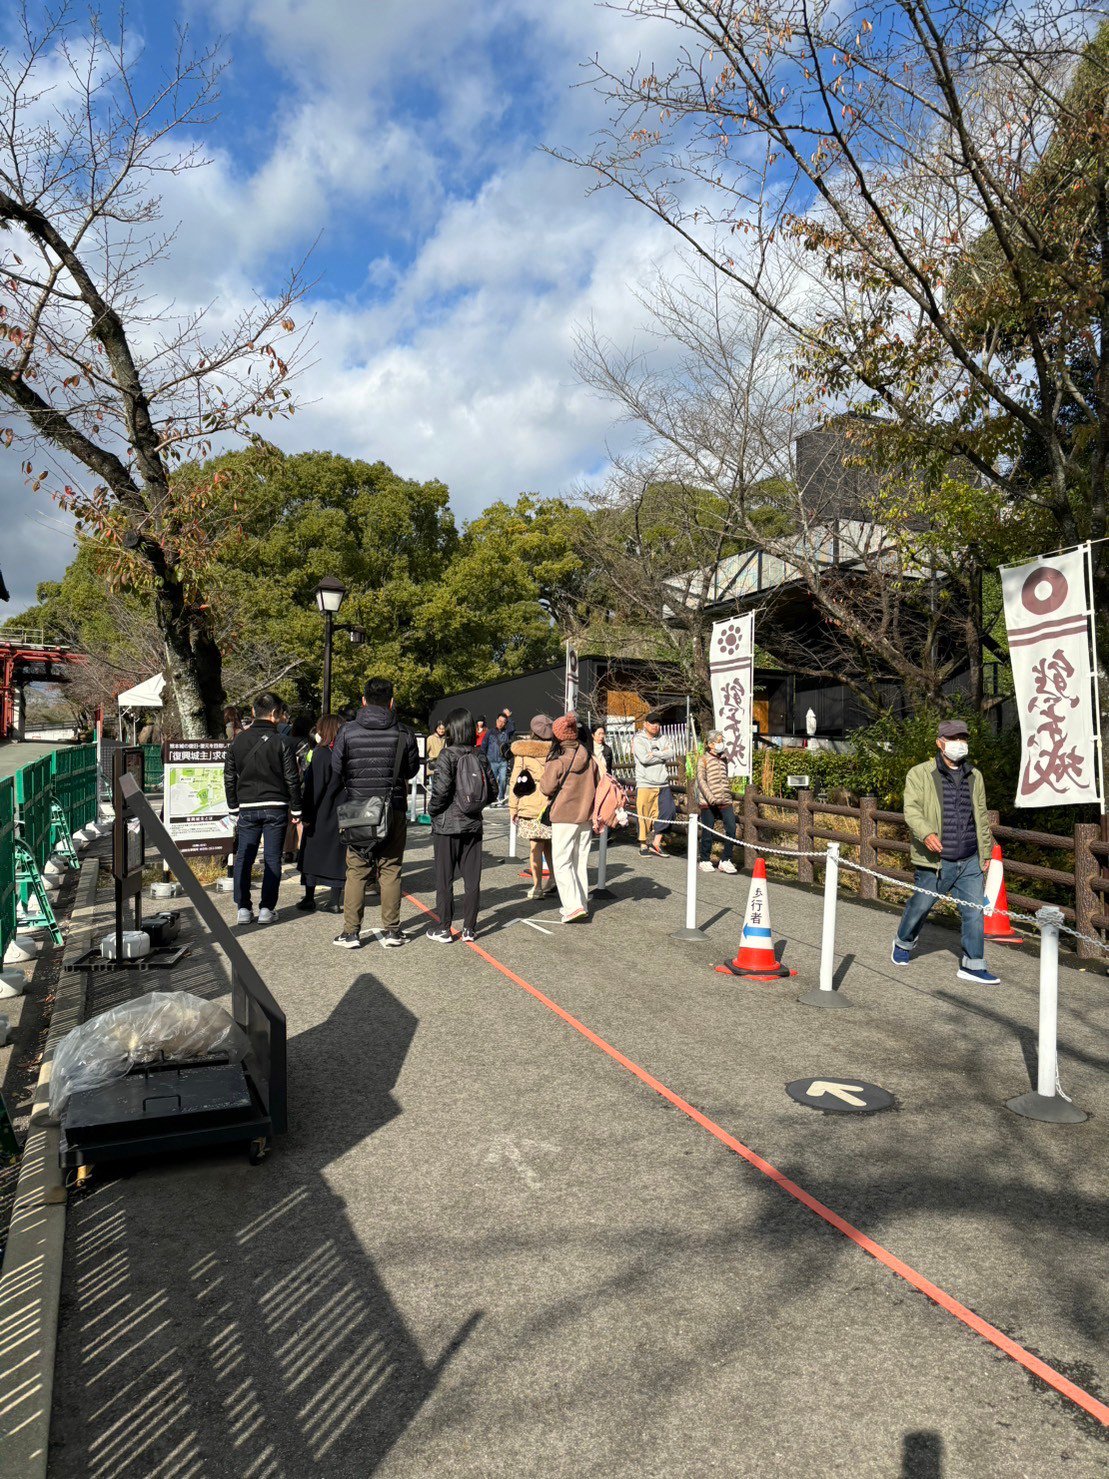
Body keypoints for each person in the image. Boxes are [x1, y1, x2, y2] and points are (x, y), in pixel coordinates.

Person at [892, 718, 999, 984]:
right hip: (936, 859)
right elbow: (911, 810)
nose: (959, 743)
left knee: (974, 912)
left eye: (963, 738)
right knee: (921, 905)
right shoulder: (919, 773)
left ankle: (973, 965)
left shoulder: (975, 775)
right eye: (953, 739)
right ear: (940, 743)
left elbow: (981, 816)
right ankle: (903, 943)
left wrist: (985, 852)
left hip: (969, 858)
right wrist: (926, 833)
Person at [331, 676, 420, 949]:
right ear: (391, 702)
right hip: (393, 807)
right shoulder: (404, 732)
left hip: (358, 809)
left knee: (357, 871)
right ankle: (392, 931)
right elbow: (411, 770)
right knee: (390, 869)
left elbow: (337, 768)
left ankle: (350, 933)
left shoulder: (347, 731)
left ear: (363, 701)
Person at [224, 691, 303, 926]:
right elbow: (292, 778)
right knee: (272, 857)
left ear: (253, 712)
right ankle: (267, 908)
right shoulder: (282, 741)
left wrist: (233, 806)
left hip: (247, 806)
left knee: (244, 857)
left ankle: (243, 908)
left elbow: (229, 776)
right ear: (275, 713)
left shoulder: (238, 741)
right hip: (276, 806)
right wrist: (296, 808)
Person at [426, 708, 496, 943]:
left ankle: (444, 927)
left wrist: (432, 811)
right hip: (473, 824)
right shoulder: (479, 755)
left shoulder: (447, 755)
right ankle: (469, 928)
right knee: (472, 879)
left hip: (447, 825)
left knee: (445, 879)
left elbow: (441, 791)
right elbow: (493, 791)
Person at [540, 712, 599, 923]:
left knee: (562, 862)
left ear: (557, 735)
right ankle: (581, 903)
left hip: (564, 816)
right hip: (586, 816)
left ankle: (572, 906)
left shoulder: (557, 760)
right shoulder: (590, 757)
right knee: (579, 861)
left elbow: (546, 788)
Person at [296, 715, 346, 914]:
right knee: (337, 855)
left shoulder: (321, 753)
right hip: (341, 812)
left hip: (320, 812)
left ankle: (309, 898)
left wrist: (306, 815)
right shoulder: (344, 754)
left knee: (311, 855)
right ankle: (334, 900)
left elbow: (313, 789)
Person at [509, 714, 556, 898]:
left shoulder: (523, 752)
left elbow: (515, 781)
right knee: (550, 844)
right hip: (552, 804)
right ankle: (553, 878)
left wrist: (513, 808)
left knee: (535, 846)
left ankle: (537, 886)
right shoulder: (556, 751)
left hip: (530, 804)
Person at [632, 712, 676, 857]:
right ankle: (643, 844)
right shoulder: (638, 739)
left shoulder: (663, 738)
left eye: (658, 724)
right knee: (643, 814)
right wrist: (662, 754)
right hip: (645, 782)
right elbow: (644, 759)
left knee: (669, 811)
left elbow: (671, 753)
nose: (655, 726)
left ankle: (656, 843)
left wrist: (654, 754)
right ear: (645, 724)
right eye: (652, 723)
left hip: (662, 782)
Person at [696, 731, 739, 874]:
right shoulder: (703, 760)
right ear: (710, 744)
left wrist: (727, 793)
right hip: (708, 801)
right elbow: (701, 780)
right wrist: (710, 797)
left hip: (725, 799)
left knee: (731, 828)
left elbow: (724, 778)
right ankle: (704, 859)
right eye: (719, 741)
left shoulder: (723, 759)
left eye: (722, 741)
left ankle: (726, 859)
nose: (722, 744)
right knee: (708, 830)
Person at [484, 709, 516, 804]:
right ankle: (493, 797)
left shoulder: (506, 732)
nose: (501, 723)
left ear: (505, 723)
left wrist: (509, 717)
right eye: (499, 721)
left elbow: (513, 728)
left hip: (503, 761)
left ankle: (501, 797)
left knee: (503, 780)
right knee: (492, 780)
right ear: (496, 721)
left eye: (503, 722)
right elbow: (484, 744)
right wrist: (483, 756)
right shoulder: (490, 732)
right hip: (492, 761)